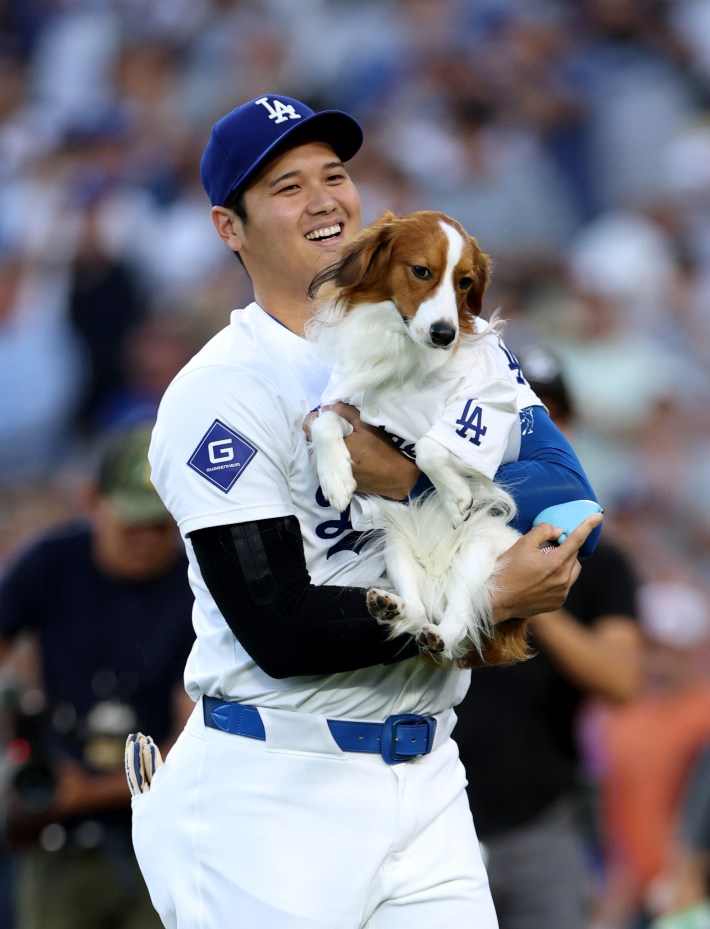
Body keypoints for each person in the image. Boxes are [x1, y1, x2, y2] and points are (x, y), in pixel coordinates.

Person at [130, 94, 603, 929]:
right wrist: (482, 600)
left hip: (426, 774)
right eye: (285, 186)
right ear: (227, 227)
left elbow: (567, 503)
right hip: (273, 790)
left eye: (335, 174)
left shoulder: (450, 335)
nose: (323, 199)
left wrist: (417, 486)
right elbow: (281, 627)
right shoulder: (223, 391)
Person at [453, 345, 643, 929]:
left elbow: (622, 680)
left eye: (547, 414)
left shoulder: (600, 561)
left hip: (538, 821)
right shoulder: (440, 535)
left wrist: (531, 588)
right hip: (435, 816)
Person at [0, 422, 195, 929]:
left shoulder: (194, 589)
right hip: (54, 840)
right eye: (132, 522)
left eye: (160, 525)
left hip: (157, 838)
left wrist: (88, 790)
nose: (147, 539)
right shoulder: (50, 562)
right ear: (91, 499)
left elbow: (193, 740)